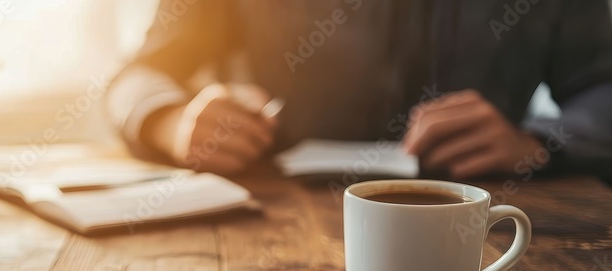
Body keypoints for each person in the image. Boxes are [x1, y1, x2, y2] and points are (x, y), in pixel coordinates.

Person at [105, 0, 612, 181]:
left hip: (486, 219)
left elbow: (601, 87)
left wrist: (538, 143)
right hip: (270, 221)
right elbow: (140, 73)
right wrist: (169, 121)